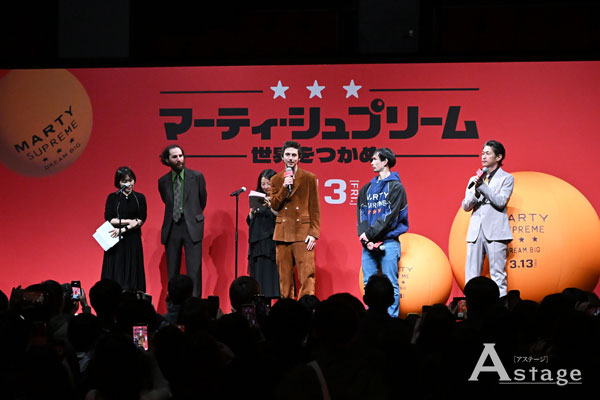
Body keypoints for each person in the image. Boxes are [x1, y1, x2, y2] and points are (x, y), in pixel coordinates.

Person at [357, 148, 408, 317]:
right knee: (368, 284)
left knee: (391, 284)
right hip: (368, 244)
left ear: (385, 161)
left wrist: (370, 235)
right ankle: (371, 320)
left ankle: (392, 321)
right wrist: (366, 240)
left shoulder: (396, 187)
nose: (371, 162)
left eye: (374, 159)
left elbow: (390, 217)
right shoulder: (366, 189)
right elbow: (362, 216)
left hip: (389, 242)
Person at [462, 140, 514, 297]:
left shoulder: (506, 178)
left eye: (488, 153)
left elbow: (500, 202)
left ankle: (500, 309)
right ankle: (472, 308)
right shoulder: (474, 179)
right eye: (482, 153)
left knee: (498, 275)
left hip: (496, 232)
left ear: (498, 157)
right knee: (471, 276)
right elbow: (466, 206)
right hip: (476, 232)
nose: (483, 156)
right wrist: (476, 192)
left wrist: (482, 187)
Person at [270, 141, 321, 299]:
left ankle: (307, 308)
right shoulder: (276, 179)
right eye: (287, 155)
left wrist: (313, 233)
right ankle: (288, 308)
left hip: (303, 233)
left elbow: (315, 208)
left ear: (299, 158)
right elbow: (274, 205)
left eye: (294, 155)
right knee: (284, 279)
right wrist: (285, 187)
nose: (290, 158)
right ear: (282, 157)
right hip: (282, 233)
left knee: (307, 275)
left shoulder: (309, 178)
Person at [158, 145, 207, 297]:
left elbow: (202, 201)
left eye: (181, 156)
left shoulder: (197, 177)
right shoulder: (163, 181)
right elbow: (166, 201)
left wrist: (191, 214)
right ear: (167, 160)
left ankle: (195, 304)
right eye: (175, 157)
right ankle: (174, 305)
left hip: (192, 226)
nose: (179, 159)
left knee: (194, 271)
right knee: (172, 272)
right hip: (172, 227)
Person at [101, 166, 147, 292]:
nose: (128, 184)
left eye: (130, 180)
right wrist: (128, 221)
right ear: (118, 183)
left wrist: (122, 229)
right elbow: (109, 218)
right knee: (115, 270)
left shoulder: (140, 197)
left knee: (132, 271)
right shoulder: (113, 197)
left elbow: (140, 220)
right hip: (115, 239)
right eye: (124, 181)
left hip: (132, 238)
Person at [246, 168, 280, 299]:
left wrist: (270, 205)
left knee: (271, 276)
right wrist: (251, 213)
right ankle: (260, 302)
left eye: (268, 184)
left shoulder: (280, 197)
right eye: (263, 184)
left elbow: (282, 217)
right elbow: (250, 221)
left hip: (272, 242)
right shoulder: (258, 197)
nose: (265, 187)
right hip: (258, 242)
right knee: (258, 274)